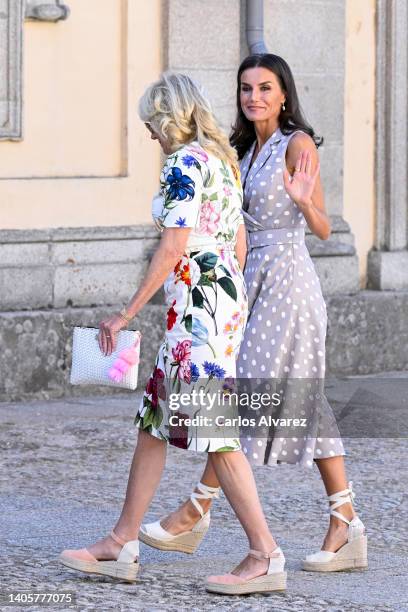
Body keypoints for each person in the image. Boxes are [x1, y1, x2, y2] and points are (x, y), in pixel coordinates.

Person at [59, 72, 288, 595]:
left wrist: (125, 314)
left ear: (167, 120)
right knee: (154, 422)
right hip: (216, 304)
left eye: (150, 123)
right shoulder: (223, 162)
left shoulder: (183, 163)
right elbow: (240, 245)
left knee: (217, 435)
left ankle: (264, 553)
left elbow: (172, 246)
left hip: (197, 314)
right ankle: (122, 541)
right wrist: (222, 309)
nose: (148, 134)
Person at [140, 55, 368, 573]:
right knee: (298, 394)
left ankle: (197, 509)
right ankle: (346, 520)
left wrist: (304, 202)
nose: (254, 97)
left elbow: (326, 228)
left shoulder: (298, 144)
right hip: (246, 280)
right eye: (246, 88)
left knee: (241, 391)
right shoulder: (239, 149)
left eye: (265, 88)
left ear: (284, 93)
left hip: (287, 278)